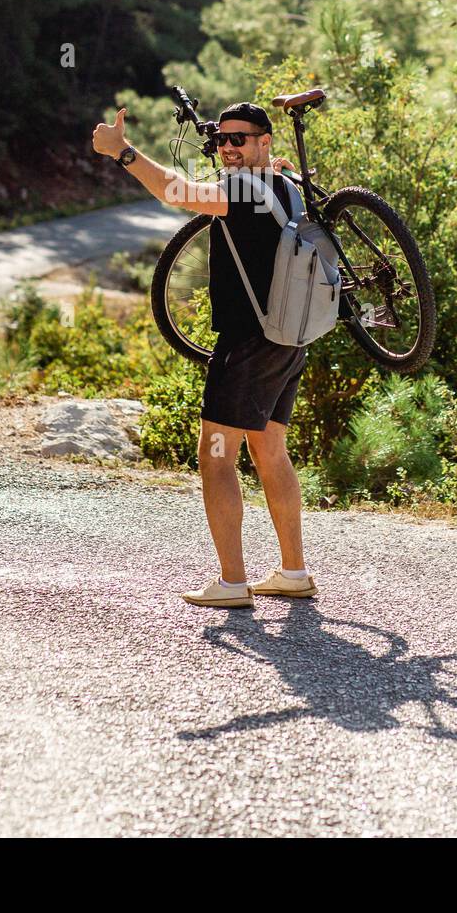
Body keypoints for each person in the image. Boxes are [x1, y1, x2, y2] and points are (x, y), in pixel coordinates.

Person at [92, 101, 317, 610]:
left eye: (242, 138)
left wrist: (121, 152)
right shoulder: (286, 186)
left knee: (216, 457)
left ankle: (233, 582)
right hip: (289, 337)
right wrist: (268, 167)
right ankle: (293, 571)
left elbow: (178, 191)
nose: (228, 147)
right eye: (222, 140)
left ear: (266, 141)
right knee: (270, 450)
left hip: (247, 341)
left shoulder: (241, 189)